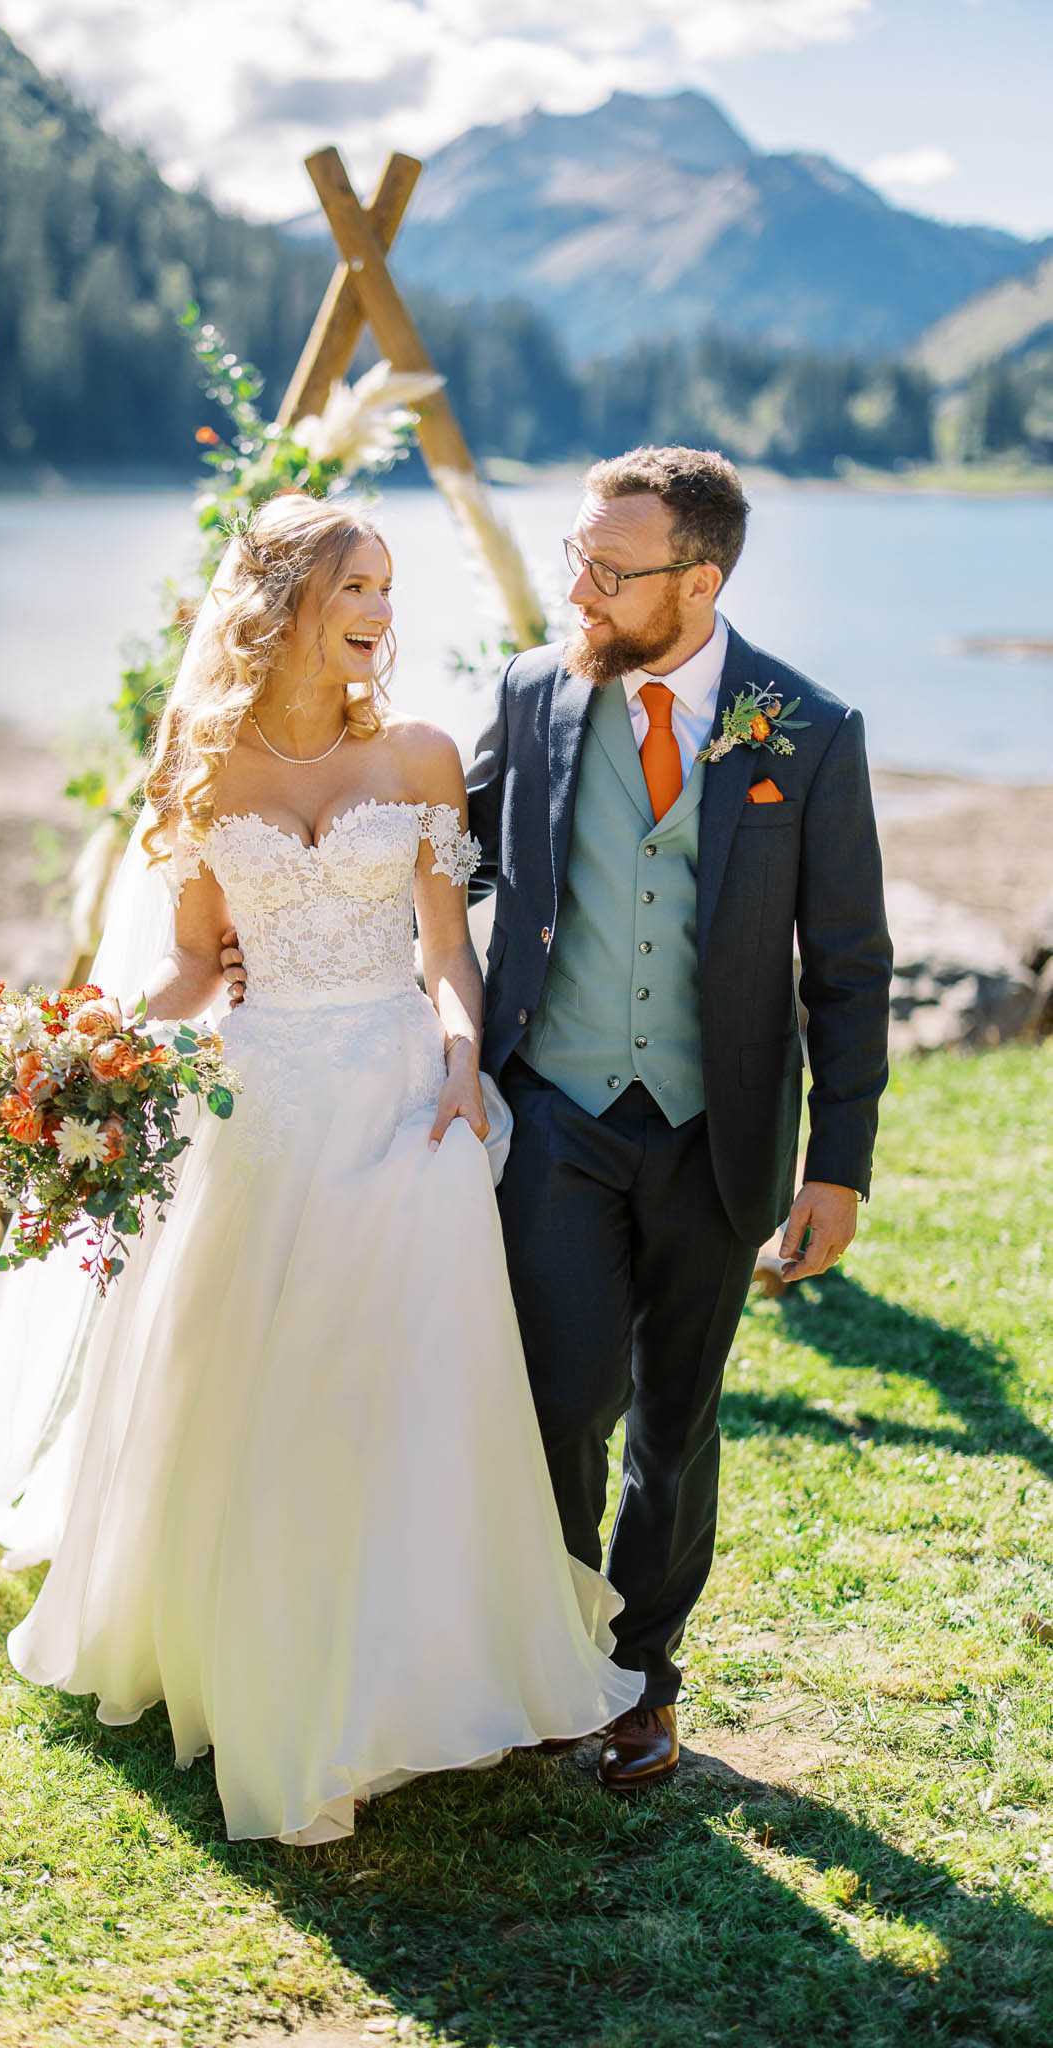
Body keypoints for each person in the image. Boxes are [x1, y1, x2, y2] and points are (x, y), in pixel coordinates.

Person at [0, 491, 642, 1846]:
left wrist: (455, 1055)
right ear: (287, 606)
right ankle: (250, 1653)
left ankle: (415, 1656)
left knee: (393, 1372)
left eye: (386, 590)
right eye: (354, 589)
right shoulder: (200, 766)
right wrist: (97, 1044)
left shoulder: (421, 755)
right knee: (255, 1373)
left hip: (396, 1093)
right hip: (253, 1102)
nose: (379, 614)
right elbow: (194, 963)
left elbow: (444, 949)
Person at [467, 446, 893, 1790]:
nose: (577, 587)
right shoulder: (534, 693)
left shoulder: (807, 728)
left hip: (721, 1135)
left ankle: (642, 1677)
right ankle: (550, 1653)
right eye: (573, 558)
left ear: (694, 580)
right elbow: (448, 855)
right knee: (558, 1398)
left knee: (675, 1419)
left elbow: (846, 964)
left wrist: (838, 1165)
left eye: (608, 568)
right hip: (556, 1111)